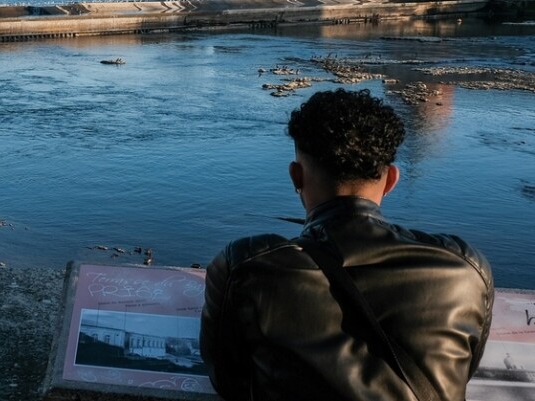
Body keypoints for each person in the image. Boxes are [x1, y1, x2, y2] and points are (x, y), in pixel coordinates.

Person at [201, 88, 493, 401]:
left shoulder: (246, 267)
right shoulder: (466, 269)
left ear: (296, 176)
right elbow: (463, 370)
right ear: (391, 180)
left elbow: (229, 381)